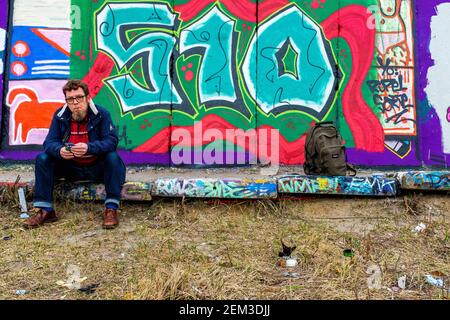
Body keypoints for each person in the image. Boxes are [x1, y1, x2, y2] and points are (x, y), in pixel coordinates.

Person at [23, 80, 126, 229]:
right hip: (71, 168)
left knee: (113, 157)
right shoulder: (60, 115)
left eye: (79, 97)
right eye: (70, 99)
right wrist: (60, 151)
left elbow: (111, 141)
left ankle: (111, 209)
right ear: (66, 101)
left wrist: (89, 148)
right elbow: (49, 143)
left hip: (97, 168)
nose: (75, 103)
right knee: (43, 158)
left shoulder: (101, 114)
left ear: (88, 98)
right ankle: (45, 211)